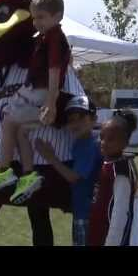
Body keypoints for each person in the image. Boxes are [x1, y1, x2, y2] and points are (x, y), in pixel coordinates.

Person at [0, 0, 71, 205]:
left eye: (42, 17)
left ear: (57, 16)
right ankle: (29, 175)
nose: (37, 22)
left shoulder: (55, 37)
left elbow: (54, 69)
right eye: (35, 18)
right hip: (38, 91)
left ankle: (3, 171)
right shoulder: (45, 37)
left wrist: (51, 102)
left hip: (39, 91)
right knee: (21, 132)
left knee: (8, 122)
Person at [35, 95, 101, 246]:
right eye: (71, 119)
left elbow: (73, 177)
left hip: (86, 213)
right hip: (82, 209)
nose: (75, 123)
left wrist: (50, 157)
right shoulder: (81, 142)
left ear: (94, 119)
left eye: (81, 117)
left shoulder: (88, 145)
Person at [87, 109, 138, 246]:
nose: (103, 142)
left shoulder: (120, 171)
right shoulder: (104, 163)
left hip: (109, 236)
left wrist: (112, 242)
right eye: (102, 137)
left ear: (125, 143)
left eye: (110, 139)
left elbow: (120, 212)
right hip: (95, 230)